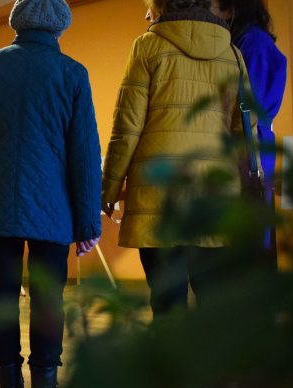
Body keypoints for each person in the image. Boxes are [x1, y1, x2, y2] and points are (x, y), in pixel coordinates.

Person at [0, 0, 102, 388]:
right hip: (54, 210)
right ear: (60, 27)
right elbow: (84, 154)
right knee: (48, 300)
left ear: (17, 22)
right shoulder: (72, 73)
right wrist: (89, 221)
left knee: (1, 298)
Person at [102, 0, 257, 320]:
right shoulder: (232, 54)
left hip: (158, 195)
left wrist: (110, 188)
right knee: (213, 304)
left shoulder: (147, 46)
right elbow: (244, 130)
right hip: (214, 194)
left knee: (167, 304)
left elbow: (127, 127)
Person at [211, 0, 287, 251]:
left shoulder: (253, 43)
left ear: (231, 7)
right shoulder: (249, 41)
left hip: (249, 147)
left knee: (248, 244)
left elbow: (246, 110)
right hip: (248, 144)